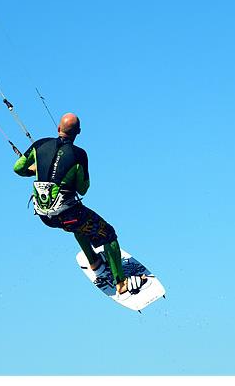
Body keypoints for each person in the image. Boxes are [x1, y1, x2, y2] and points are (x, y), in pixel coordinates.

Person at [13, 113, 146, 295]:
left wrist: (34, 170)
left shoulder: (39, 144)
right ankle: (121, 283)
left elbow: (18, 168)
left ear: (58, 129)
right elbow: (83, 189)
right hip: (69, 215)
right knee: (109, 235)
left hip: (45, 216)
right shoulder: (79, 154)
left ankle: (95, 263)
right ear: (79, 132)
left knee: (79, 225)